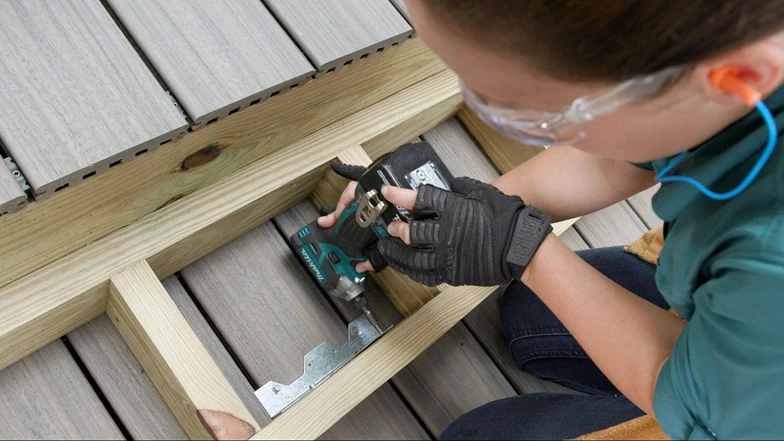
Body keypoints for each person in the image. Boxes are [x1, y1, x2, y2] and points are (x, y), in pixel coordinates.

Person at [319, 1, 784, 439]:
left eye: (546, 113)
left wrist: (526, 250)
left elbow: (696, 400)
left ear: (737, 78)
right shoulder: (707, 50)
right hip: (743, 302)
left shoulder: (769, 254)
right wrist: (457, 213)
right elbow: (610, 160)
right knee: (528, 308)